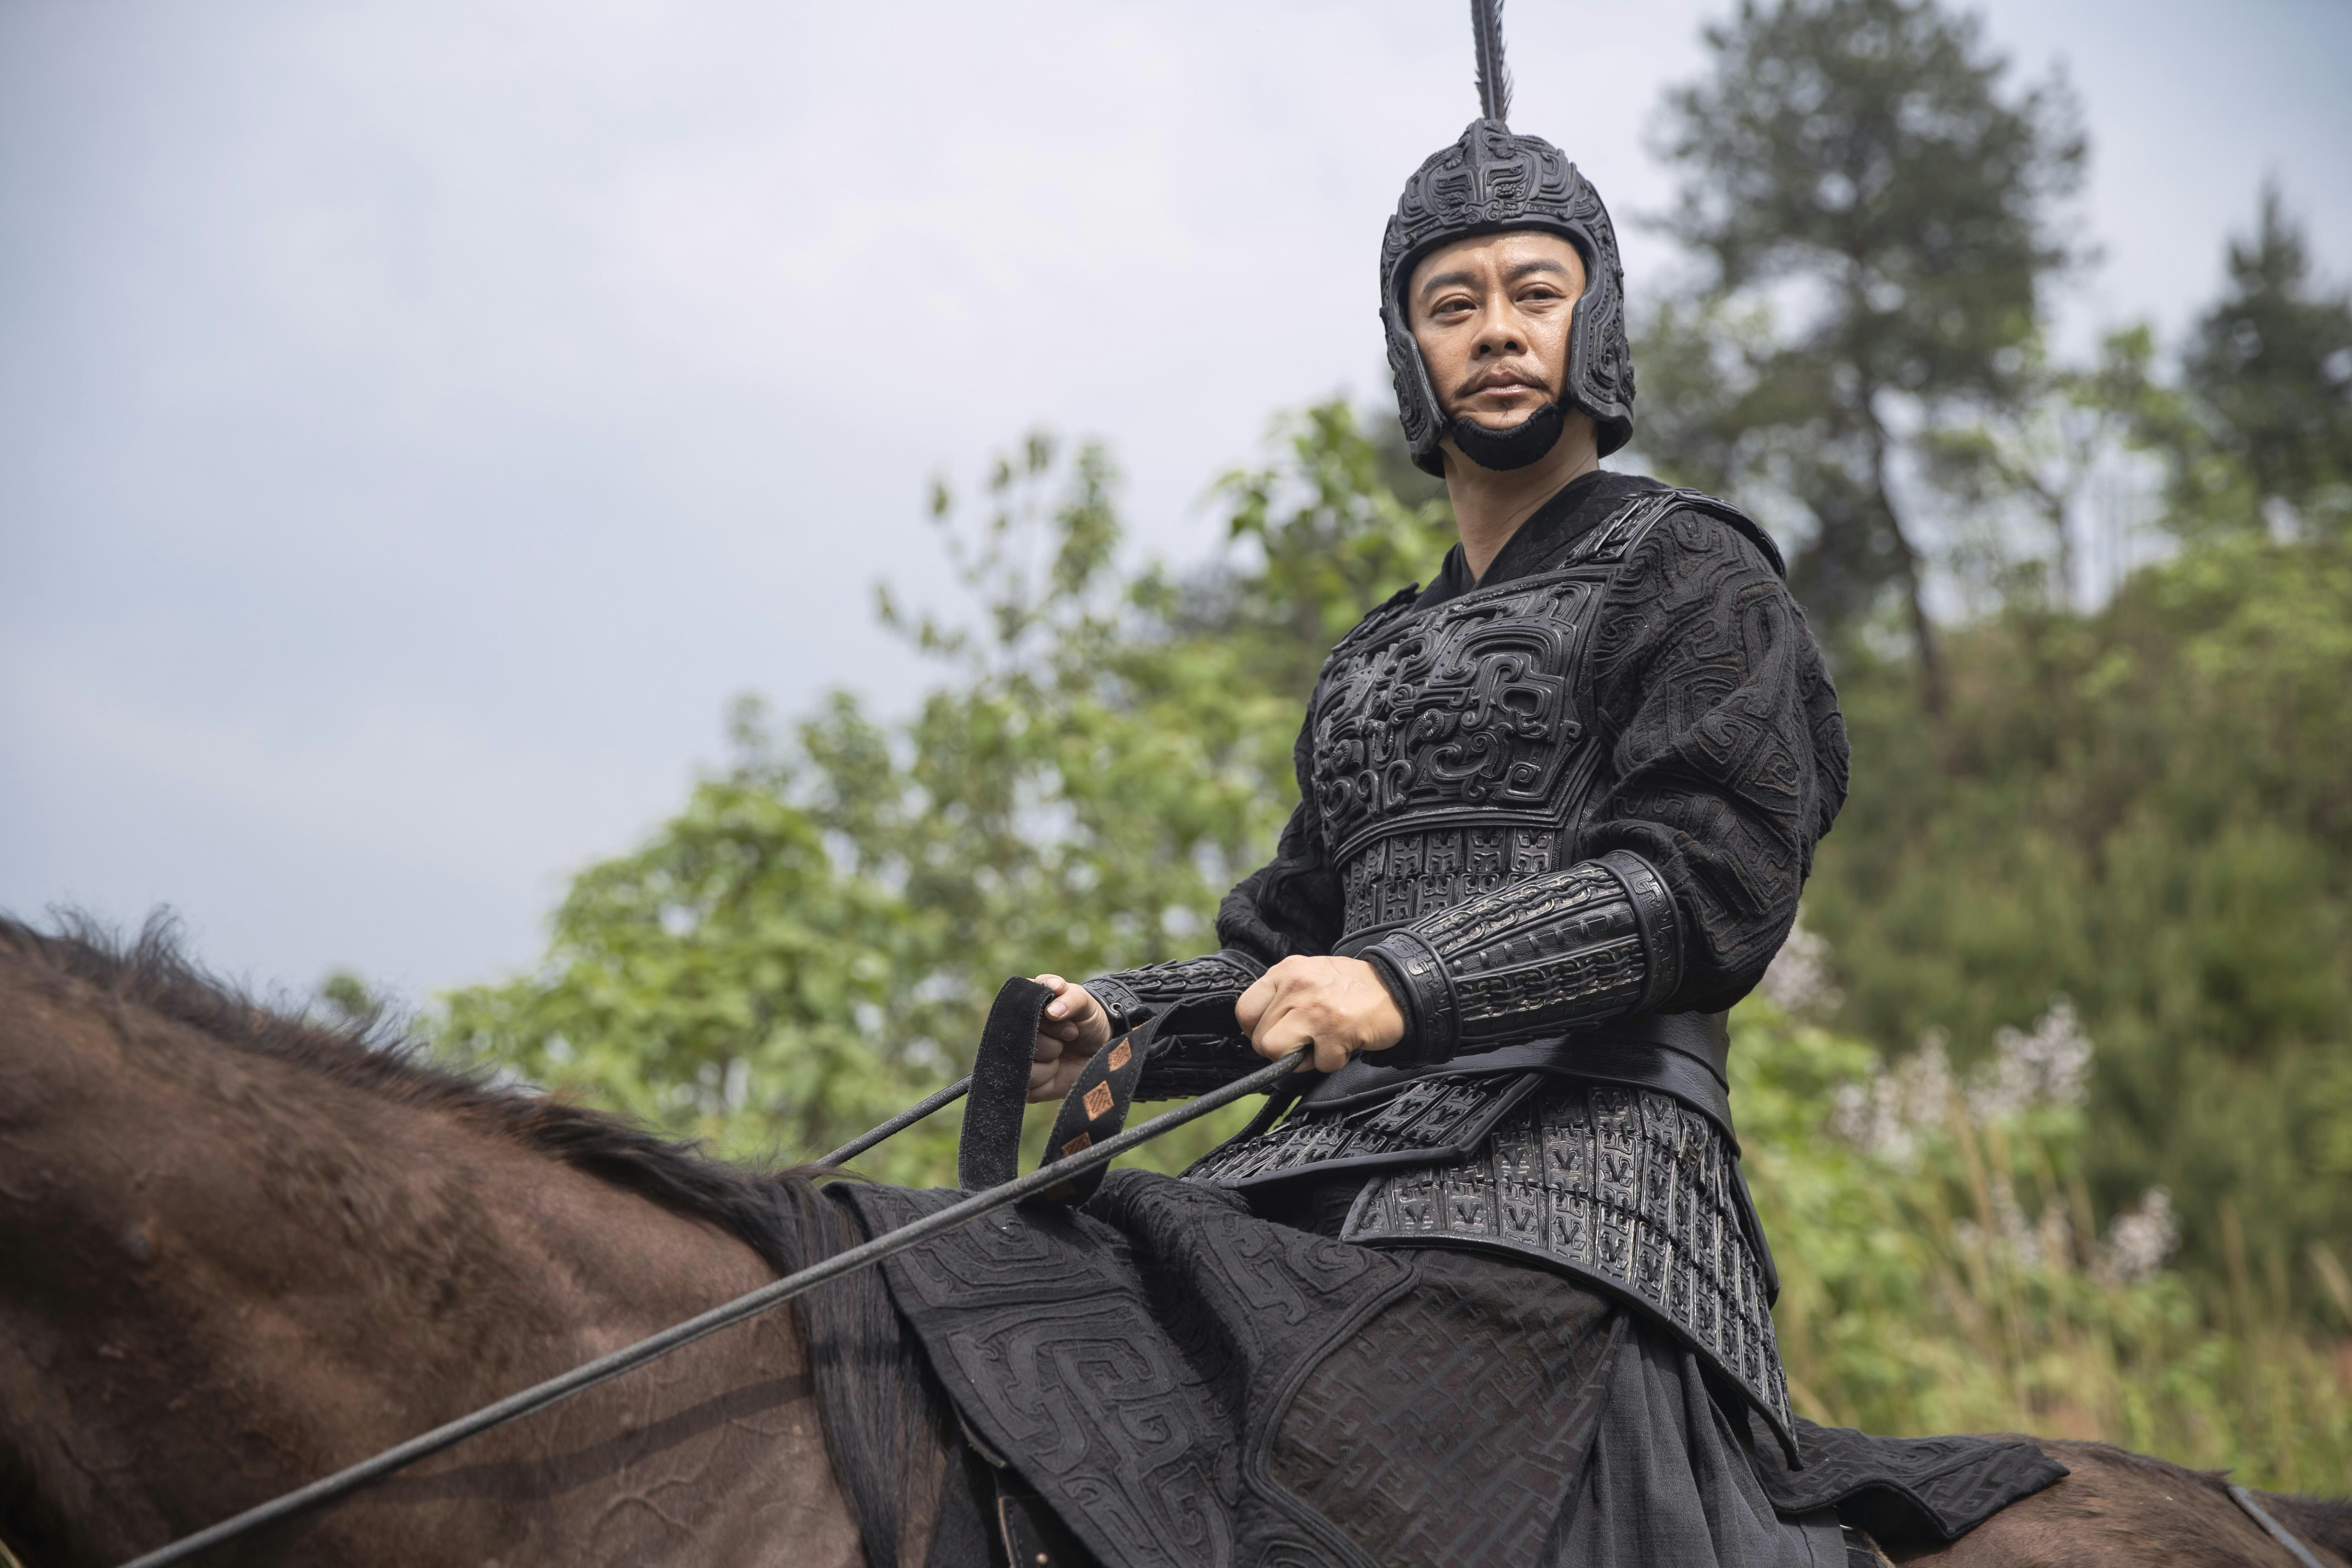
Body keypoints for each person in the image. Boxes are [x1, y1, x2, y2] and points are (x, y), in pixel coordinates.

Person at [1018, 27, 1856, 1568]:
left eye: (1536, 293)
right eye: (1453, 305)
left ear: (1597, 318)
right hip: (1318, 1171)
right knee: (1046, 1345)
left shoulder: (1694, 570)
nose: (1498, 330)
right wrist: (1123, 1020)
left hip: (1586, 1180)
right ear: (1411, 350)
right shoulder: (1373, 656)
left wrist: (1405, 984)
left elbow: (1711, 883)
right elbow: (1287, 953)